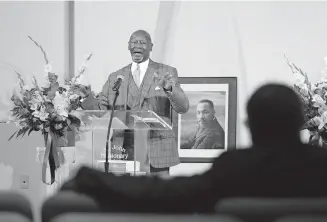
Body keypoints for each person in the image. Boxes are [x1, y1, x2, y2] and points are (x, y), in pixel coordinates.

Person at [61, 83, 327, 213]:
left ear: (250, 124)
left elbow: (169, 194)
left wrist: (91, 178)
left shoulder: (235, 168)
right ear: (300, 122)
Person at [74, 30, 189, 175]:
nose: (138, 46)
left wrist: (169, 88)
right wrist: (86, 97)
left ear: (151, 46)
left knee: (158, 196)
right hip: (123, 148)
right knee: (125, 196)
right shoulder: (116, 77)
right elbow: (99, 110)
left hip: (157, 148)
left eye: (142, 42)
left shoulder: (166, 71)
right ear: (128, 46)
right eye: (134, 42)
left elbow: (183, 107)